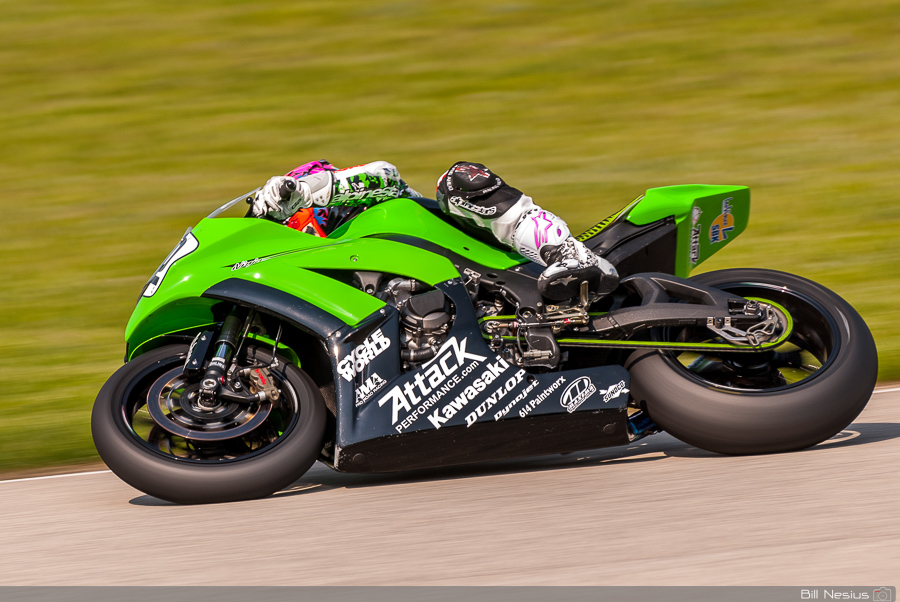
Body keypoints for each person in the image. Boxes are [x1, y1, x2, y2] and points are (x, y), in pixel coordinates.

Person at [251, 160, 618, 301]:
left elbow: (385, 174)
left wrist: (300, 190)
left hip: (485, 257)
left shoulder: (378, 207)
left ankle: (569, 254)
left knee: (457, 181)